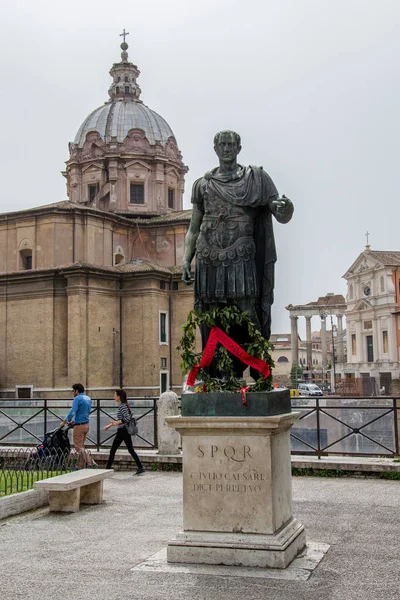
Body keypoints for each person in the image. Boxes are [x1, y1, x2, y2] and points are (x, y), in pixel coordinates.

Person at [182, 130, 294, 378]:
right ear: (215, 149)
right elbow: (193, 226)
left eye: (231, 144)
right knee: (211, 314)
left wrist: (285, 208)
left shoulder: (256, 178)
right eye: (222, 145)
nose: (227, 148)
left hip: (241, 254)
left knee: (247, 310)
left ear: (239, 148)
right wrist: (186, 259)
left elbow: (280, 212)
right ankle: (216, 373)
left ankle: (259, 371)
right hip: (208, 256)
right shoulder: (202, 185)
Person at [103, 389, 145, 475]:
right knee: (130, 449)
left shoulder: (122, 406)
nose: (113, 396)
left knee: (113, 449)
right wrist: (110, 425)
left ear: (119, 397)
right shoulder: (125, 405)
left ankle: (107, 468)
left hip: (123, 430)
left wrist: (116, 423)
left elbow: (127, 418)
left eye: (114, 395)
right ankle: (140, 467)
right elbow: (123, 418)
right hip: (124, 430)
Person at [60, 383, 97, 468]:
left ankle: (91, 462)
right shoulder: (88, 398)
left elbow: (73, 411)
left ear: (77, 391)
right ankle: (79, 466)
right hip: (86, 425)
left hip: (79, 426)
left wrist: (65, 421)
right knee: (81, 446)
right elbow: (83, 413)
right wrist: (74, 421)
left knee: (78, 447)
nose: (73, 392)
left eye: (73, 391)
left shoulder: (77, 399)